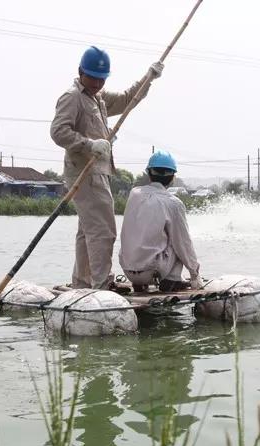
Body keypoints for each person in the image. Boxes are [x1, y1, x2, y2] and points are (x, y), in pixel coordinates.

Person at [51, 46, 164, 290]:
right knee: (103, 231)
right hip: (85, 173)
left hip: (98, 172)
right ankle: (102, 284)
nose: (97, 83)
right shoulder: (73, 97)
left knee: (87, 232)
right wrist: (89, 144)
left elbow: (126, 100)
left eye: (101, 79)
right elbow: (58, 132)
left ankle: (82, 282)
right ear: (80, 72)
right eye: (92, 77)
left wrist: (148, 78)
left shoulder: (98, 99)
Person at [119, 151, 203, 293]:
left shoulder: (134, 194)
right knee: (178, 239)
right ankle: (172, 280)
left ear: (149, 174)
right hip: (154, 272)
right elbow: (183, 243)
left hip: (128, 270)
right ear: (172, 177)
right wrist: (195, 274)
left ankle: (140, 284)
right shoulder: (173, 203)